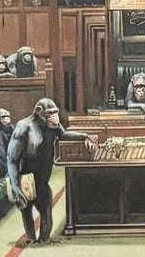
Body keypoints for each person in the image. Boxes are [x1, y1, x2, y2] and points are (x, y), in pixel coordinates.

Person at [5, 98, 99, 246]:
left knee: (46, 208)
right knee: (26, 210)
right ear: (39, 112)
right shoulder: (24, 127)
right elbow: (11, 159)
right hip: (27, 176)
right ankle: (31, 238)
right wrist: (15, 186)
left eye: (56, 113)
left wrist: (84, 136)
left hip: (43, 178)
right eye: (51, 113)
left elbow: (63, 135)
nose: (55, 117)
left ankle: (43, 239)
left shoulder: (52, 125)